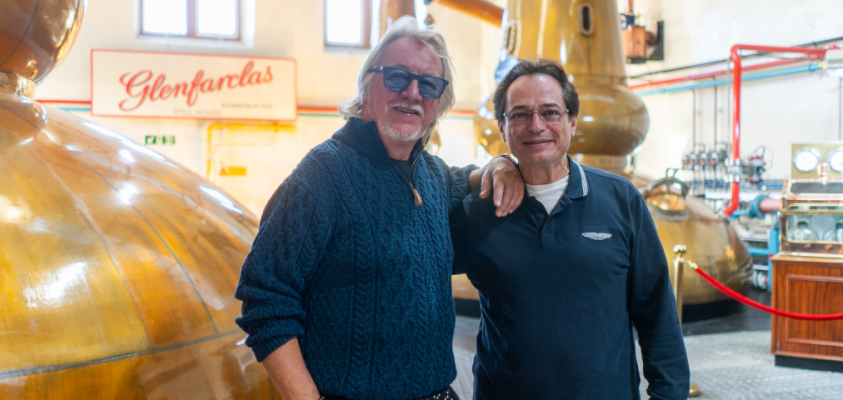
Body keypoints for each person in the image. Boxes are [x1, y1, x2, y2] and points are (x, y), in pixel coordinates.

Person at [235, 17, 523, 400]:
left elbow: (465, 177)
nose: (413, 92)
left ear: (438, 105)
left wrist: (501, 163)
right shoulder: (321, 177)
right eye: (397, 76)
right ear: (366, 87)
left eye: (429, 84)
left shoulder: (432, 174)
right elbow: (264, 297)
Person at [451, 58, 690, 400]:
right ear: (502, 128)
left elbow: (656, 312)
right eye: (519, 115)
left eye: (550, 112)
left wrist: (668, 394)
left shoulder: (621, 200)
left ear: (572, 121)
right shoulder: (478, 209)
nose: (536, 125)